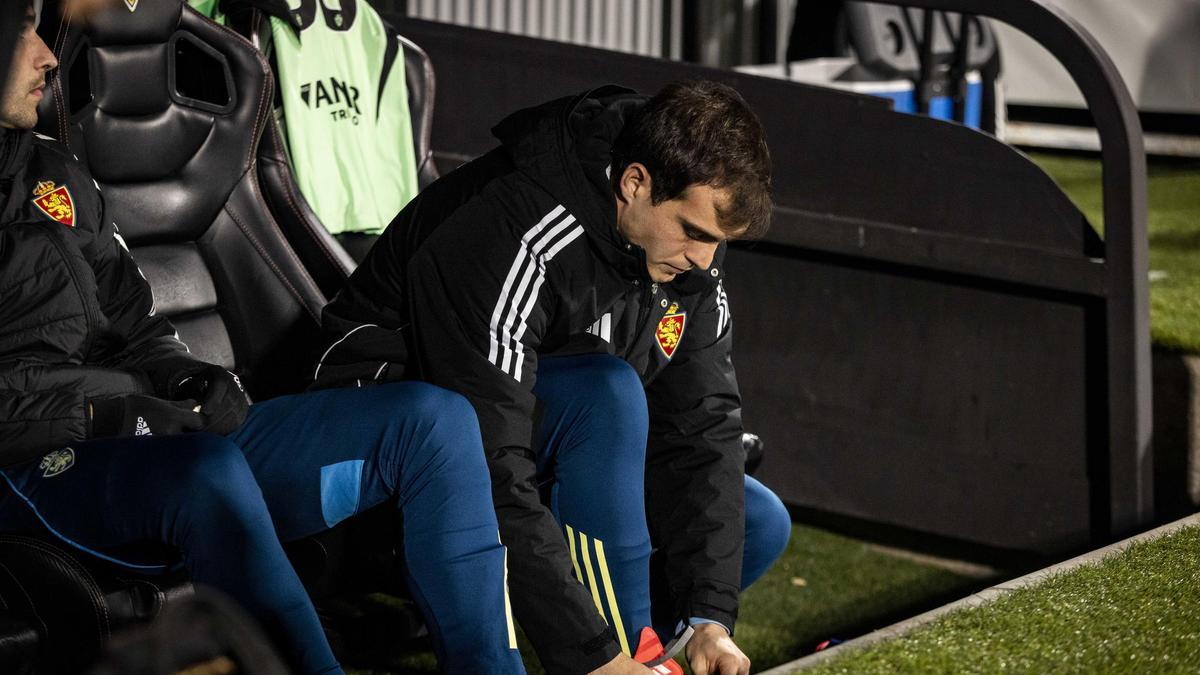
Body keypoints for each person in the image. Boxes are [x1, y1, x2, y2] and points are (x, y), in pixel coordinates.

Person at [0, 6, 523, 674]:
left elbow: (136, 322)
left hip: (150, 433)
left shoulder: (57, 172)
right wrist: (99, 414)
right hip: (38, 467)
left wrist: (184, 374)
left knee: (432, 420)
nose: (48, 56)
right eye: (22, 37)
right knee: (206, 470)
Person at [314, 81, 793, 674]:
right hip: (383, 458)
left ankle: (658, 652)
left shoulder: (682, 255)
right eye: (694, 232)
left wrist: (709, 619)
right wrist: (591, 655)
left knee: (758, 522)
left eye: (718, 242)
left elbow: (705, 426)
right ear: (635, 183)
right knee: (607, 394)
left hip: (527, 439)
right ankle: (619, 649)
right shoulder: (514, 225)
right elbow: (488, 458)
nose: (705, 259)